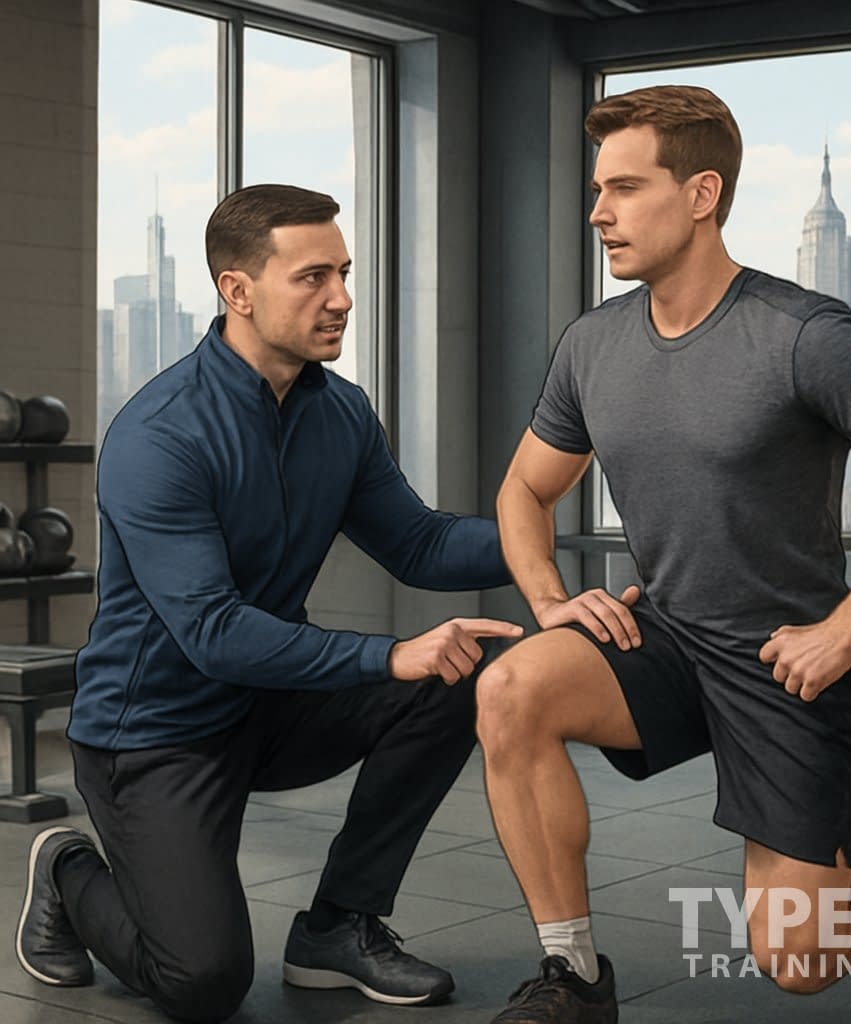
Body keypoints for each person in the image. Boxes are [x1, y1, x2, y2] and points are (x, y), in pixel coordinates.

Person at [475, 86, 851, 1023]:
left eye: (625, 188)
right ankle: (574, 978)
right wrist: (552, 599)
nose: (599, 211)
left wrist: (845, 632)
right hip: (668, 640)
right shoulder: (592, 346)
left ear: (702, 192)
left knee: (800, 957)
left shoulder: (804, 334)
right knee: (510, 687)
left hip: (788, 666)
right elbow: (523, 488)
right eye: (598, 189)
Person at [15, 183, 522, 1024]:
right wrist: (389, 653)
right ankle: (68, 872)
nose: (342, 299)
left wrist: (541, 539)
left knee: (459, 675)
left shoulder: (341, 413)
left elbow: (419, 543)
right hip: (155, 737)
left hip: (269, 706)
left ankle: (339, 927)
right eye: (313, 277)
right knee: (203, 983)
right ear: (237, 289)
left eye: (345, 274)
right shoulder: (161, 435)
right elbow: (212, 633)